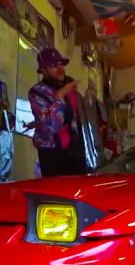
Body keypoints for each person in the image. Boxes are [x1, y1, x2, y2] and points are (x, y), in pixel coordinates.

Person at [28, 47, 88, 177]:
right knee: (57, 189)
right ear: (43, 70)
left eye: (61, 64)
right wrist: (60, 96)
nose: (60, 69)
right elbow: (52, 127)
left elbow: (76, 118)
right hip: (52, 154)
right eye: (54, 66)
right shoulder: (37, 92)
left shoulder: (69, 87)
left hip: (75, 150)